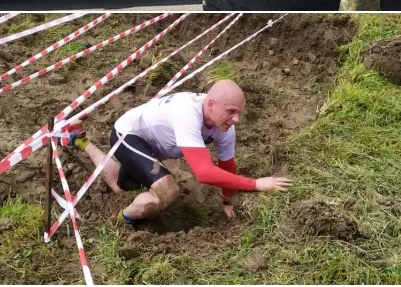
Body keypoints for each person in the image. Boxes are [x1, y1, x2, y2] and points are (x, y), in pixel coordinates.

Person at [61, 80, 292, 223]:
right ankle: (119, 221)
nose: (237, 119)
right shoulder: (188, 112)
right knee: (168, 190)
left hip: (153, 147)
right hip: (128, 134)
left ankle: (81, 141)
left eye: (239, 112)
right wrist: (256, 184)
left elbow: (227, 166)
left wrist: (226, 201)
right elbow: (203, 172)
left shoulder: (224, 126)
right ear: (210, 104)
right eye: (231, 111)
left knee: (122, 187)